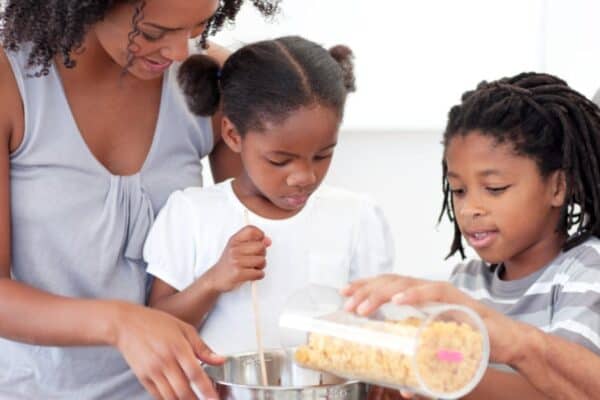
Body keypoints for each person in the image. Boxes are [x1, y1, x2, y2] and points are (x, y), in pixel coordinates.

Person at [0, 0, 280, 399]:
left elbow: (255, 251)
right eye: (152, 33)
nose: (181, 52)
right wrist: (121, 323)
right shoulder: (10, 84)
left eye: (199, 27)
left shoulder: (210, 81)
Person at [343, 72, 600, 400]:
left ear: (558, 187)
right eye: (459, 190)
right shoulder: (466, 283)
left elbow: (566, 390)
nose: (469, 209)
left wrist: (444, 378)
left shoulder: (584, 273)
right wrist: (404, 373)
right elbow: (457, 358)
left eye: (495, 189)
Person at [142, 36, 394, 355]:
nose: (305, 177)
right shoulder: (191, 214)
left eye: (322, 155)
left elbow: (377, 327)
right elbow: (156, 325)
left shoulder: (356, 216)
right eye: (279, 160)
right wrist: (213, 281)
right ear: (233, 135)